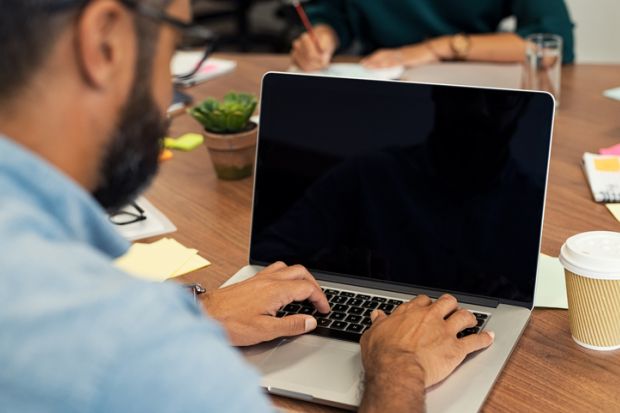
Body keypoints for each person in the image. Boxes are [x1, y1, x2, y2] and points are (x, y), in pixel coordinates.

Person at [0, 1, 493, 412]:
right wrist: (398, 367)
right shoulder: (140, 357)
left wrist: (198, 309)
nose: (175, 95)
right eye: (176, 51)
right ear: (105, 42)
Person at [291, 0, 575, 71]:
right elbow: (332, 12)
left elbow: (552, 43)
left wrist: (440, 48)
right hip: (378, 80)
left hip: (471, 86)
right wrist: (325, 34)